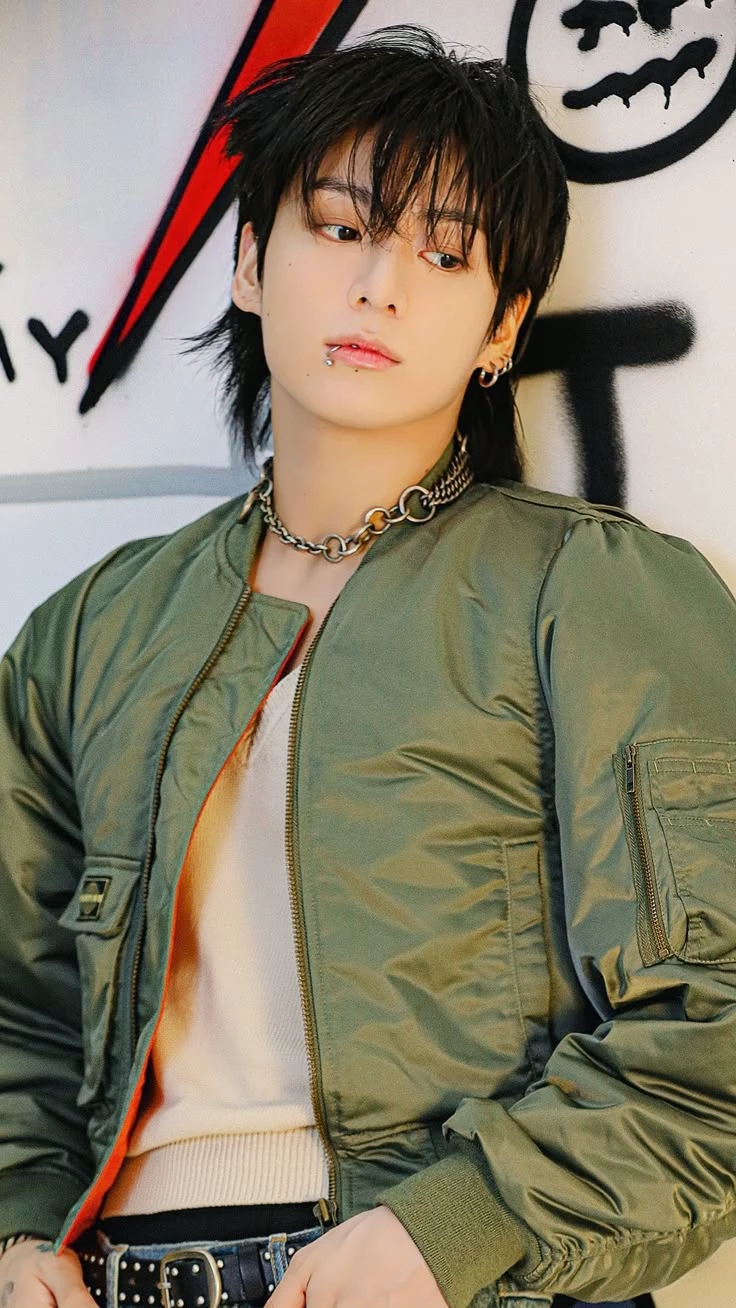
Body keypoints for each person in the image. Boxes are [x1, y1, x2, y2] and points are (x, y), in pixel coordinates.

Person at [0, 21, 734, 1308]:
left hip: (442, 1279)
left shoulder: (593, 594)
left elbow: (712, 1017)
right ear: (248, 262)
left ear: (503, 326)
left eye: (445, 254)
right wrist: (16, 1234)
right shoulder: (90, 631)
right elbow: (21, 1010)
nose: (379, 285)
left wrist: (452, 1229)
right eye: (340, 228)